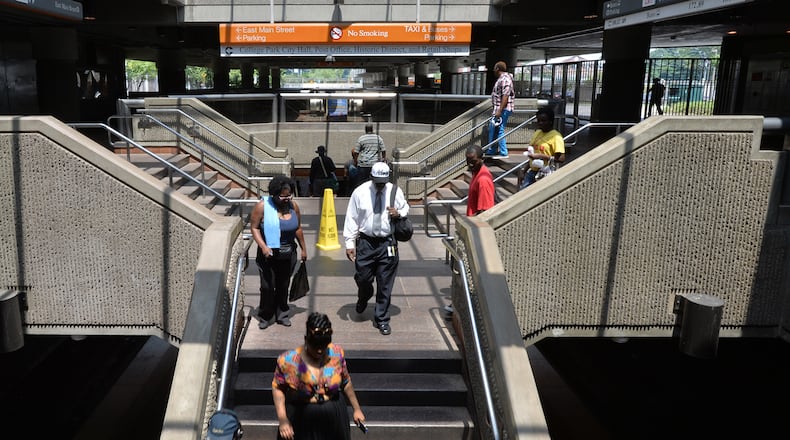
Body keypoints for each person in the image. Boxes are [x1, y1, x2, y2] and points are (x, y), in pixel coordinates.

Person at [272, 312, 365, 440]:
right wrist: (282, 419)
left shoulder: (336, 354)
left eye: (323, 347)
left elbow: (346, 381)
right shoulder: (288, 361)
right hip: (302, 417)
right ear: (306, 339)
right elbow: (278, 387)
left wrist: (357, 409)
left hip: (333, 415)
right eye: (315, 347)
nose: (320, 351)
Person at [343, 162, 409, 336]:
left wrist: (399, 213)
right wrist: (350, 243)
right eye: (377, 181)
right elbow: (352, 218)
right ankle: (364, 295)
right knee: (363, 278)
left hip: (387, 243)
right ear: (371, 177)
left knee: (385, 283)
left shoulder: (395, 191)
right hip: (366, 243)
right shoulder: (360, 192)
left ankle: (382, 319)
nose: (381, 185)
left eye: (383, 182)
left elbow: (405, 208)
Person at [250, 175, 308, 330]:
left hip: (288, 253)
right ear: (274, 194)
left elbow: (298, 228)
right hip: (268, 254)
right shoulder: (262, 206)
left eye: (289, 195)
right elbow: (254, 228)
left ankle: (282, 313)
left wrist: (303, 248)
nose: (286, 198)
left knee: (283, 285)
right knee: (268, 286)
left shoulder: (293, 206)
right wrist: (263, 246)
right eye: (283, 196)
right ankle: (265, 315)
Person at [520, 106, 565, 190]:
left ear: (550, 122)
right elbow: (532, 155)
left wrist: (542, 156)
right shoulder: (538, 132)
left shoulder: (556, 137)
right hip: (532, 172)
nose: (540, 123)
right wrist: (524, 170)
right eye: (539, 120)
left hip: (545, 173)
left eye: (543, 121)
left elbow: (561, 159)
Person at [485, 60, 515, 158]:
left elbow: (505, 95)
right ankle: (492, 149)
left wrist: (500, 110)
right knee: (494, 128)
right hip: (500, 109)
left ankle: (503, 151)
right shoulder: (503, 78)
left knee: (499, 129)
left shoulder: (505, 79)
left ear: (497, 69)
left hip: (503, 109)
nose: (493, 70)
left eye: (494, 68)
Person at [466, 145, 496, 216]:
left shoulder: (483, 180)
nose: (470, 164)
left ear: (482, 159)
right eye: (468, 160)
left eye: (473, 161)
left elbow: (485, 211)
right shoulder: (476, 172)